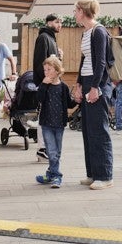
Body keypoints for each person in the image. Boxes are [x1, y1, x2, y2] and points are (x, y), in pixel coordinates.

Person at [71, 0, 114, 190]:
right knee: (88, 130)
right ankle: (93, 173)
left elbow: (101, 62)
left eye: (75, 10)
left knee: (99, 130)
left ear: (82, 11)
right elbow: (84, 61)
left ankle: (105, 176)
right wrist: (80, 84)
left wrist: (96, 87)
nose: (74, 13)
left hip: (98, 83)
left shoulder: (99, 31)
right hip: (88, 81)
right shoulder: (86, 32)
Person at [35, 55, 72, 188]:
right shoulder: (44, 86)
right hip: (46, 125)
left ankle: (50, 174)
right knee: (51, 151)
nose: (46, 72)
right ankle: (57, 176)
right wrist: (44, 84)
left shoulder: (63, 87)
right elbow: (39, 98)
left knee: (57, 152)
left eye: (49, 69)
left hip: (59, 125)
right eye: (45, 70)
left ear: (57, 70)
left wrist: (79, 100)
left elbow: (69, 103)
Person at [33, 14, 61, 160]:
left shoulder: (51, 38)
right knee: (44, 115)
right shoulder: (43, 38)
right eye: (57, 22)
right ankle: (42, 148)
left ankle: (45, 148)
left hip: (51, 83)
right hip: (46, 84)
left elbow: (52, 63)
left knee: (48, 114)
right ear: (49, 23)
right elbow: (40, 62)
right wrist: (46, 81)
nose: (60, 24)